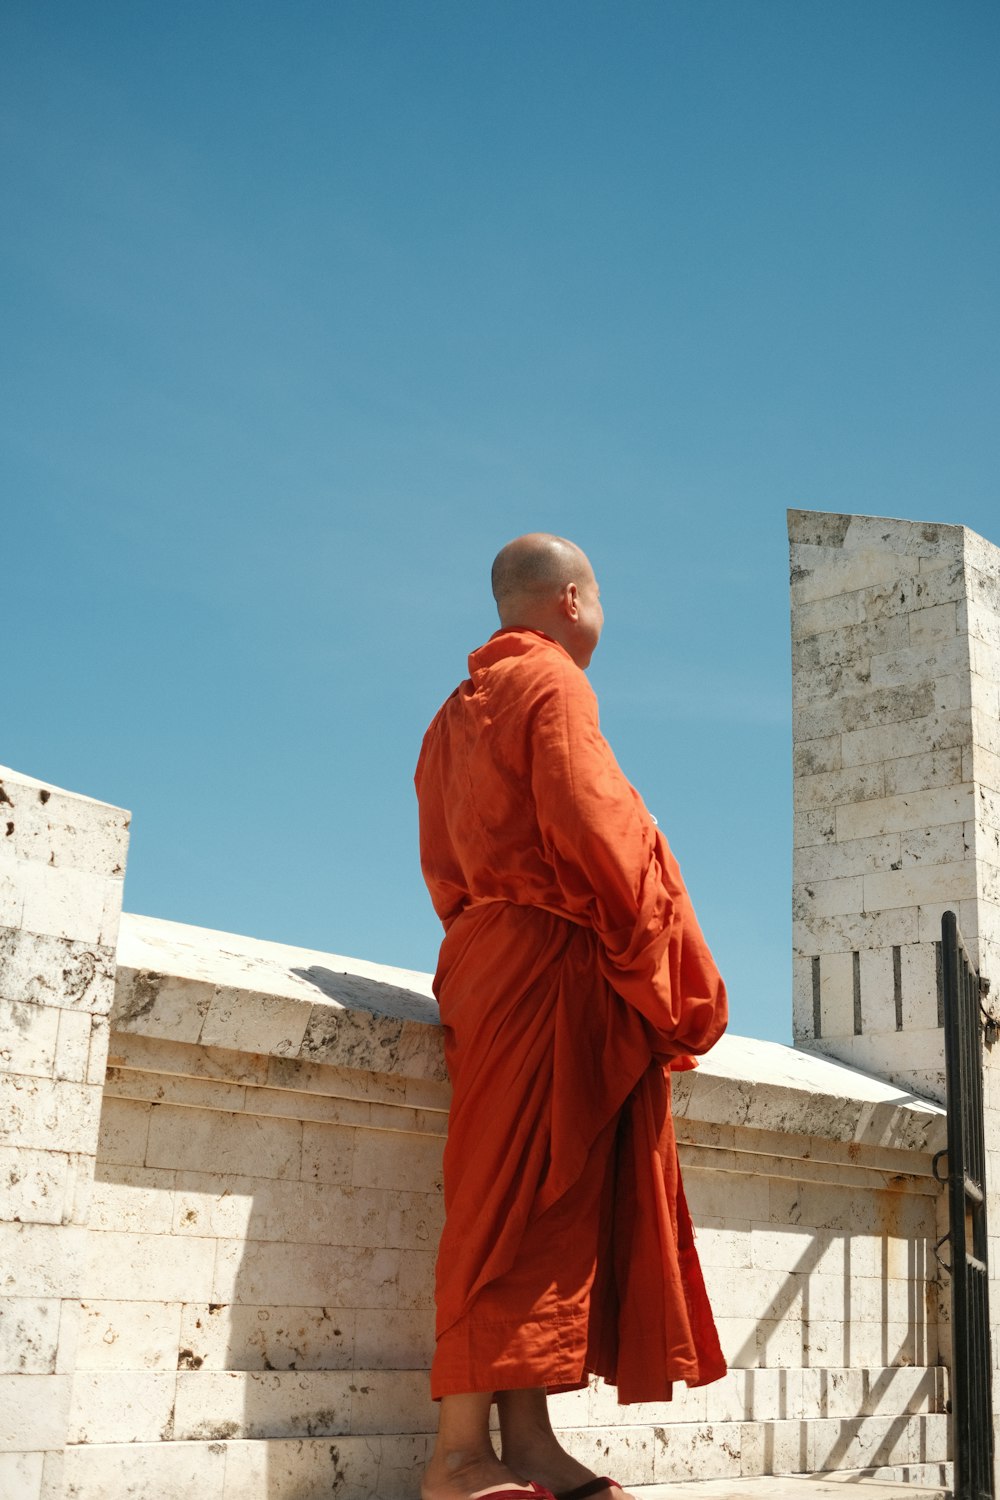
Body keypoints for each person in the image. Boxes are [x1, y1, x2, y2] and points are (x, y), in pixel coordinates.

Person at [414, 534, 728, 1500]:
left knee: (546, 1206)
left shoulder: (448, 717)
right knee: (504, 1205)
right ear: (571, 601)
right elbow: (596, 829)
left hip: (487, 955)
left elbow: (444, 856)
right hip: (544, 962)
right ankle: (457, 1457)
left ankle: (532, 1445)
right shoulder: (553, 685)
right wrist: (666, 965)